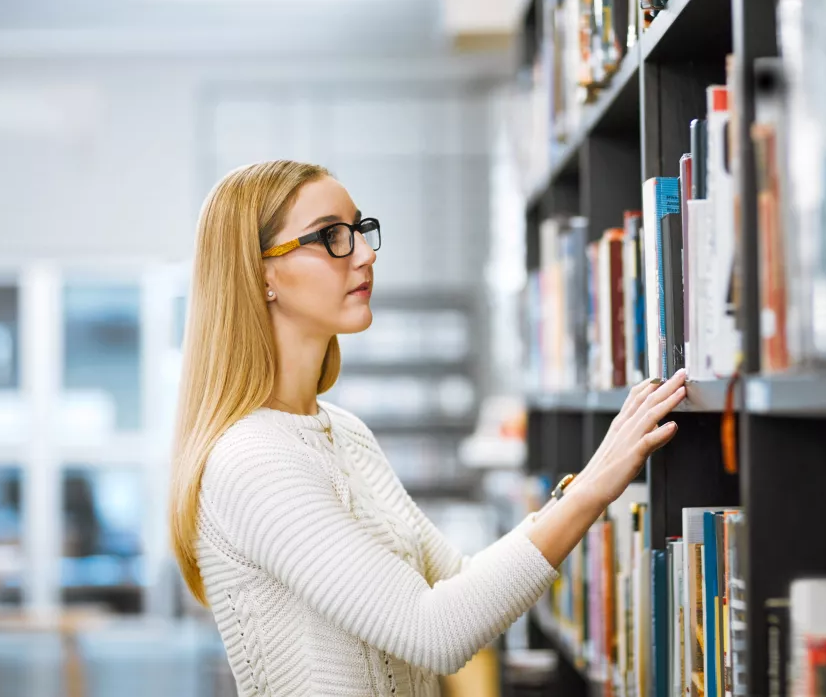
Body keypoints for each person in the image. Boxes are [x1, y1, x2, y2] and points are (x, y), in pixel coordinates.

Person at [169, 160, 687, 696]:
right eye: (330, 236)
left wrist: (580, 491)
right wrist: (593, 487)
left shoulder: (343, 432)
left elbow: (457, 580)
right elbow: (434, 630)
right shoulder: (252, 460)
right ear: (262, 274)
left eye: (359, 229)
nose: (366, 253)